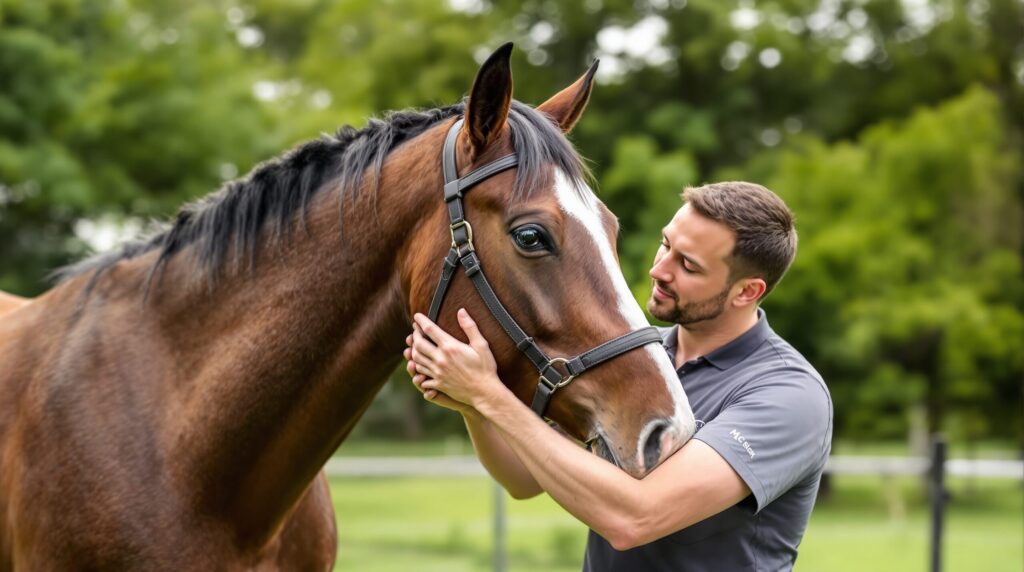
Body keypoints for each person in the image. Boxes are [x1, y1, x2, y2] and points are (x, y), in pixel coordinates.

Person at [405, 181, 833, 571]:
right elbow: (523, 478)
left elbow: (636, 517)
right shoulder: (638, 360)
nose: (659, 270)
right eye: (665, 245)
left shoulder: (788, 394)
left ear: (747, 291)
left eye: (688, 265)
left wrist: (490, 397)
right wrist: (473, 406)